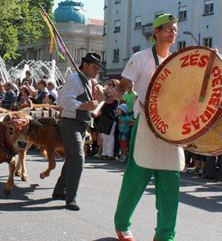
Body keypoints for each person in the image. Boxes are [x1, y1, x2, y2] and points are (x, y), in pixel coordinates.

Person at [113, 14, 184, 241]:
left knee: (170, 185)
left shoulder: (177, 62)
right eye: (167, 29)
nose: (172, 33)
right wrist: (110, 94)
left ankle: (165, 235)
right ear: (155, 32)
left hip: (170, 128)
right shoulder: (140, 57)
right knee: (135, 179)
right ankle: (122, 225)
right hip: (145, 124)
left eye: (174, 29)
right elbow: (123, 86)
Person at [52, 52, 103, 211]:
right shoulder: (75, 79)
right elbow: (64, 100)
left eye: (98, 68)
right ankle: (71, 198)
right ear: (85, 65)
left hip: (81, 124)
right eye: (94, 67)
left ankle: (59, 190)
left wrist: (100, 91)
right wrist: (84, 106)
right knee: (78, 159)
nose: (96, 70)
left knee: (73, 158)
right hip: (70, 123)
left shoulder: (87, 80)